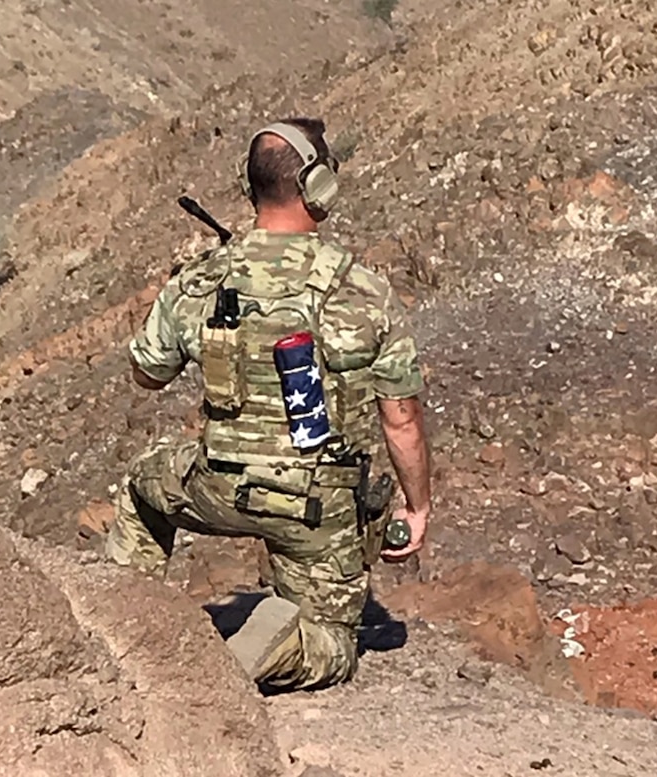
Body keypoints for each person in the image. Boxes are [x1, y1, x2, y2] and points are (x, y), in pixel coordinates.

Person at [103, 116, 431, 692]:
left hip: (217, 489)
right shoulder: (364, 291)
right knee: (332, 642)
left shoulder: (202, 280)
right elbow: (399, 419)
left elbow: (145, 373)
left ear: (248, 185)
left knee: (141, 485)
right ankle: (273, 646)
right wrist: (417, 506)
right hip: (316, 511)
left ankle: (120, 621)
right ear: (320, 186)